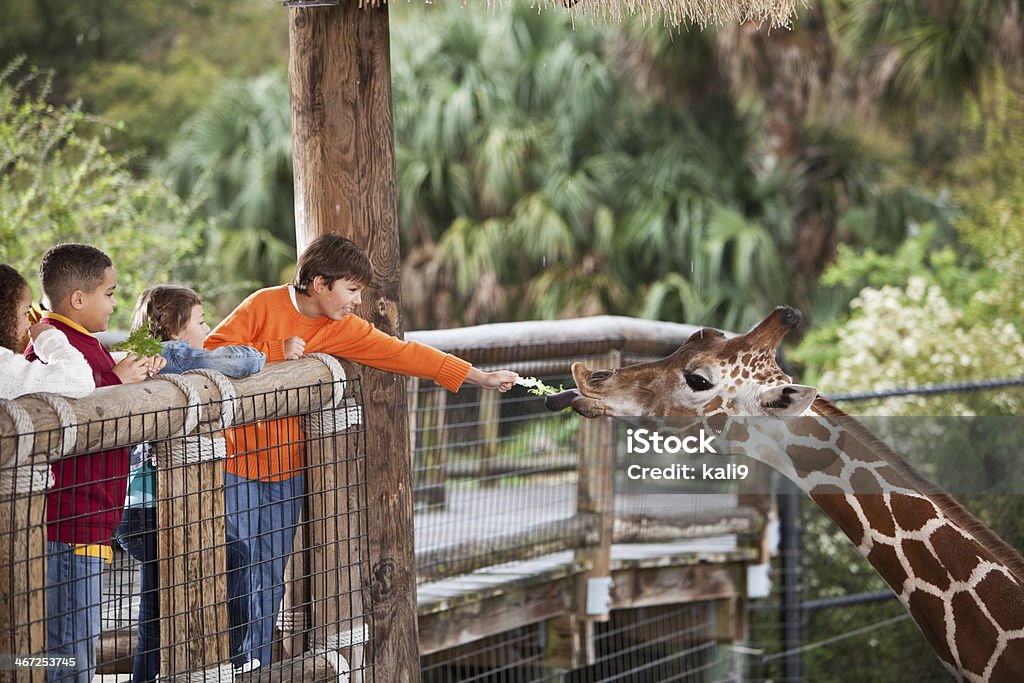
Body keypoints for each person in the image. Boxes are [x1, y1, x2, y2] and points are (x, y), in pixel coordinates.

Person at [206, 234, 518, 668]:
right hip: (236, 465)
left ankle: (253, 665)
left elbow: (403, 354)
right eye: (351, 290)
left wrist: (479, 377)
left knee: (270, 576)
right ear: (319, 283)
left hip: (289, 470)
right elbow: (209, 355)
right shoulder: (263, 304)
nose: (356, 301)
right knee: (233, 568)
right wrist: (273, 353)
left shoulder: (342, 328)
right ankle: (222, 661)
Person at [24, 243, 161, 683]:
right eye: (110, 293)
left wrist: (123, 376)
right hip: (70, 522)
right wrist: (116, 381)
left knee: (78, 646)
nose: (115, 302)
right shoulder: (49, 343)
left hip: (92, 518)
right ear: (78, 299)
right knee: (69, 655)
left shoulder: (80, 341)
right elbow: (52, 404)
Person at [114, 285, 266, 681]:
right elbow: (239, 363)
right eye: (201, 321)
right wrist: (259, 354)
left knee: (156, 601)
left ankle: (147, 675)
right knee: (233, 556)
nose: (208, 327)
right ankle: (232, 653)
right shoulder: (171, 356)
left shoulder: (148, 354)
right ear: (177, 330)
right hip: (155, 513)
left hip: (139, 512)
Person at [0, 264, 95, 399]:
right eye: (25, 312)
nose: (28, 323)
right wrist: (48, 338)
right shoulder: (4, 370)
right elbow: (79, 380)